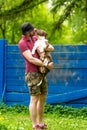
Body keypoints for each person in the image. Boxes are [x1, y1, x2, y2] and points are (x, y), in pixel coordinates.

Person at [18, 22, 54, 130]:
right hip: (32, 73)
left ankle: (41, 123)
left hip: (41, 73)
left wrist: (48, 52)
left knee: (42, 97)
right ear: (28, 32)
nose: (35, 30)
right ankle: (35, 125)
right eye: (33, 30)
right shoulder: (22, 43)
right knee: (34, 99)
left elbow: (46, 47)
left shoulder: (34, 39)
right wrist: (46, 64)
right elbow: (31, 59)